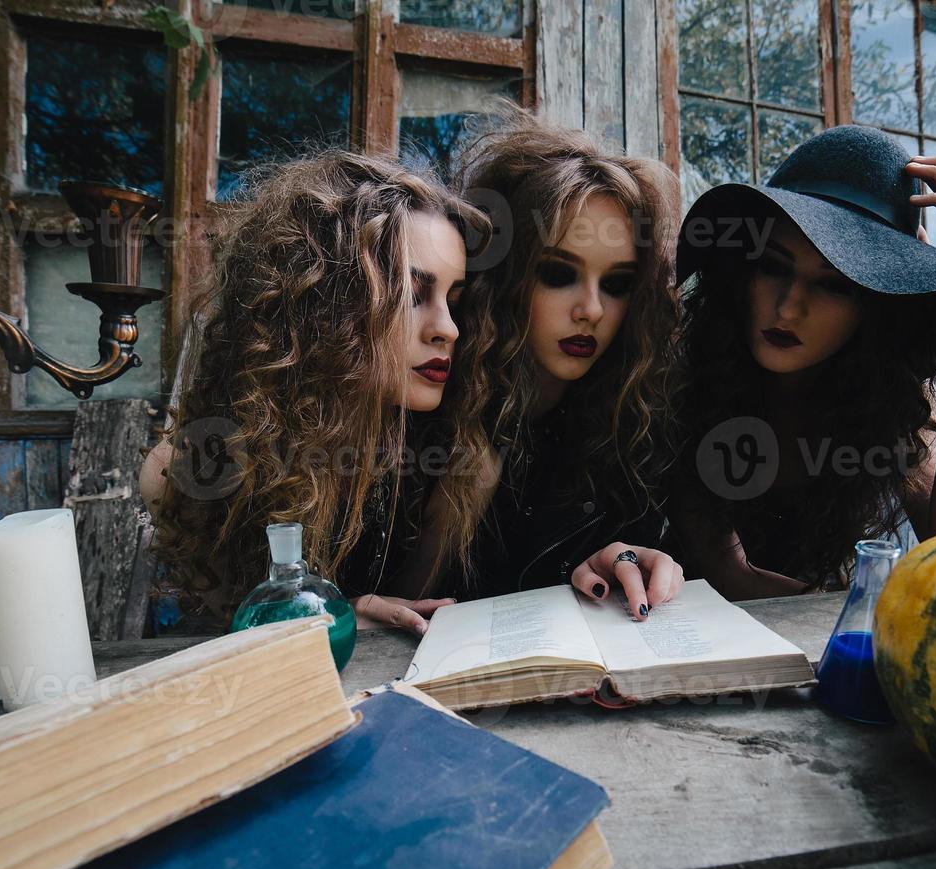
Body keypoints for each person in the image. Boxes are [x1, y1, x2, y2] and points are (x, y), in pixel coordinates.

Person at [140, 150, 493, 635]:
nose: (448, 329)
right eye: (413, 295)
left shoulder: (452, 461)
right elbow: (234, 637)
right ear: (325, 305)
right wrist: (332, 619)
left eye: (452, 301)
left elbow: (411, 620)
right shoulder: (188, 469)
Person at [668, 125, 936, 599]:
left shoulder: (891, 402)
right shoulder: (678, 379)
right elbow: (730, 580)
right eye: (773, 267)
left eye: (834, 284)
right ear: (740, 271)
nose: (788, 308)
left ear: (874, 303)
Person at [401, 109, 685, 620]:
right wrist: (450, 512)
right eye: (559, 274)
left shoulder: (631, 420)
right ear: (506, 277)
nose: (592, 310)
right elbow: (386, 609)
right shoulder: (424, 398)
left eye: (617, 284)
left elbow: (608, 581)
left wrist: (620, 562)